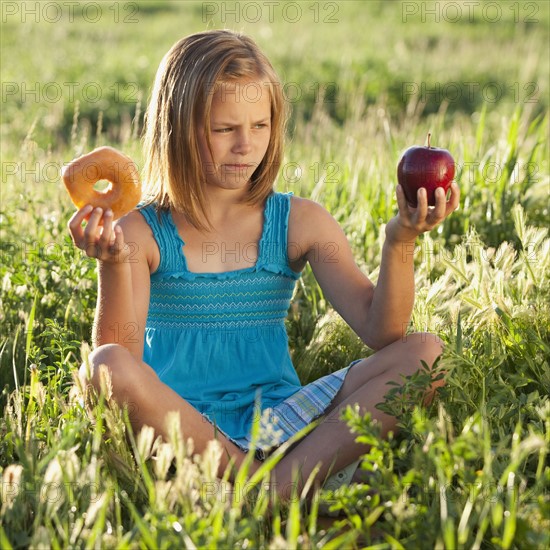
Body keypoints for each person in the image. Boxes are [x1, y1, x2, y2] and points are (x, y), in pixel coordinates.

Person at [68, 29, 460, 501]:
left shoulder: (299, 222)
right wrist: (111, 263)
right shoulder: (140, 232)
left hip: (283, 423)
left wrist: (401, 239)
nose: (245, 145)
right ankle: (276, 489)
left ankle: (275, 487)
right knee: (106, 365)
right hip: (184, 434)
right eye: (224, 129)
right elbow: (119, 359)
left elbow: (383, 333)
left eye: (260, 126)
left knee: (425, 353)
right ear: (176, 127)